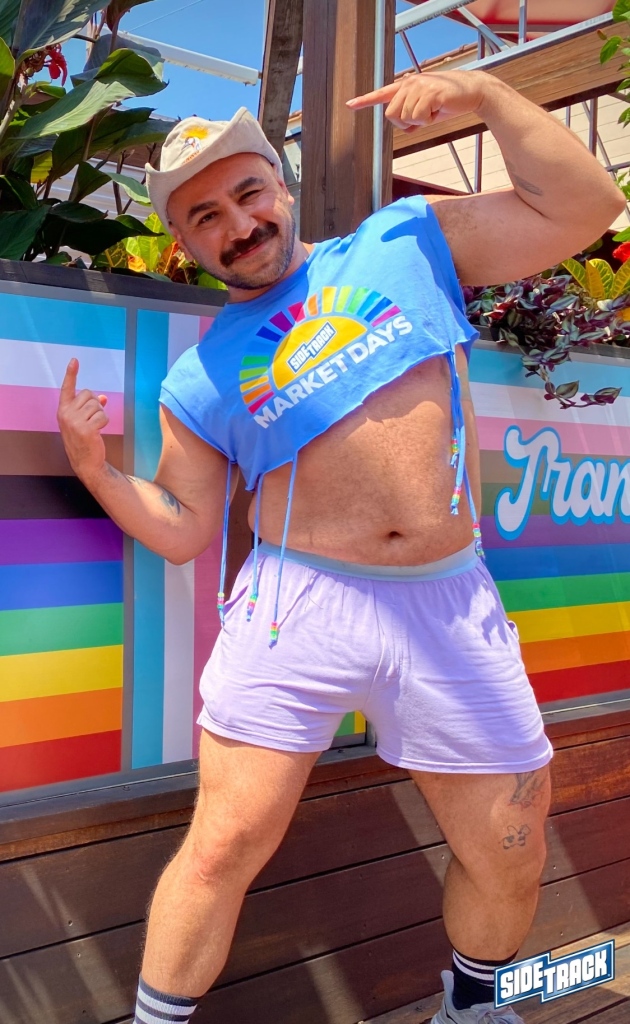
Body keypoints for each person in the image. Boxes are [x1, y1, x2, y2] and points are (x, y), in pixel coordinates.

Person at [57, 70, 624, 1024]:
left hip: (448, 601)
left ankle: (472, 1011)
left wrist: (488, 97)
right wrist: (97, 471)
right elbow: (187, 529)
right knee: (224, 844)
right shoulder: (200, 378)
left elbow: (587, 206)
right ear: (187, 245)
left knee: (512, 841)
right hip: (297, 607)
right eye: (205, 217)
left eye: (247, 193)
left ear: (279, 186)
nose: (238, 225)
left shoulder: (405, 243)